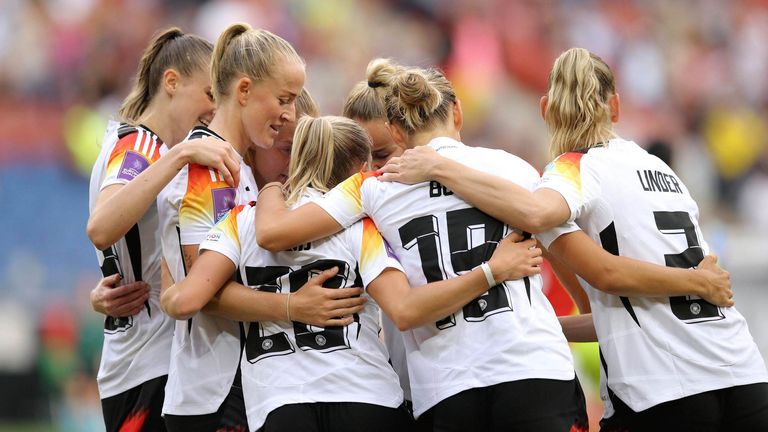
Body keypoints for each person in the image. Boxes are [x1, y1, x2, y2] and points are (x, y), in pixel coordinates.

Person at [378, 47, 767, 431]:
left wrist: (439, 166)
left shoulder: (571, 171)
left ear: (545, 109)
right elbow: (618, 307)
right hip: (740, 366)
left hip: (663, 385)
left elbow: (556, 232)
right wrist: (550, 325)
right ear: (615, 107)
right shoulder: (660, 168)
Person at [255, 63, 589, 432]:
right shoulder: (515, 169)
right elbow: (569, 249)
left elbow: (273, 233)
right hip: (533, 367)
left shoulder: (371, 189)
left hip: (444, 385)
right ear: (457, 111)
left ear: (396, 132)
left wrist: (272, 185)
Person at [163, 115, 543, 431]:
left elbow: (186, 300)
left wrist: (166, 262)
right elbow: (405, 309)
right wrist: (492, 271)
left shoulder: (240, 220)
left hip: (282, 404)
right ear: (360, 170)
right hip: (367, 399)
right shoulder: (364, 226)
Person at [86, 27, 235, 432]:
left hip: (140, 357)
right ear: (171, 82)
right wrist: (182, 154)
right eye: (208, 94)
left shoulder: (133, 143)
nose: (213, 108)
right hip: (149, 361)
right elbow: (101, 227)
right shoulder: (143, 147)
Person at [249, 88, 319, 188]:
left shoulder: (312, 197)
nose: (297, 165)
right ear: (254, 138)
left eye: (305, 153)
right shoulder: (229, 183)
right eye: (287, 149)